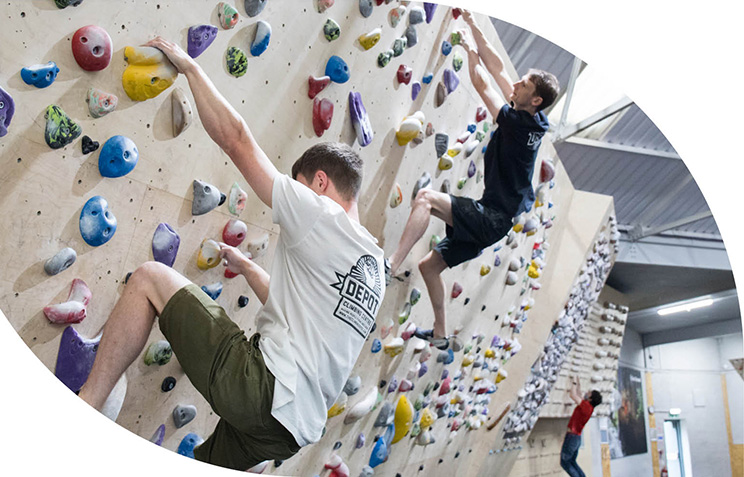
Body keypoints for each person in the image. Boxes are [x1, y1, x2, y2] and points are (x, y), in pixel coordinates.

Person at [78, 36, 385, 471]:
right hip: (289, 431)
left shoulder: (319, 214)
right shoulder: (373, 264)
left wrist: (191, 69)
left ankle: (86, 406)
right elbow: (299, 310)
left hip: (261, 390)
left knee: (149, 278)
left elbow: (238, 140)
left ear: (318, 184)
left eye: (299, 187)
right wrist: (245, 266)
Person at [386, 10, 560, 350]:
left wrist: (468, 47)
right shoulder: (534, 120)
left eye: (524, 84)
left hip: (492, 216)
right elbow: (498, 69)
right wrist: (474, 25)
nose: (517, 84)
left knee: (425, 199)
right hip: (496, 221)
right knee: (429, 266)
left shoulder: (516, 123)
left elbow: (483, 81)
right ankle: (440, 334)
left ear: (535, 99)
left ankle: (390, 266)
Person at [561, 377, 603, 477]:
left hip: (572, 437)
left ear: (590, 398)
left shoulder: (586, 407)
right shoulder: (589, 408)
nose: (587, 392)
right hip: (576, 438)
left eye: (589, 393)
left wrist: (574, 383)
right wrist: (578, 383)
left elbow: (573, 395)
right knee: (572, 462)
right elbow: (579, 395)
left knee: (565, 463)